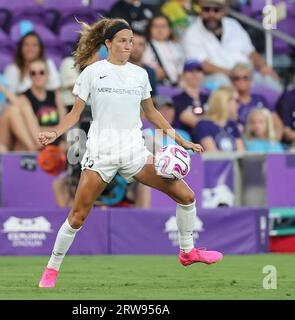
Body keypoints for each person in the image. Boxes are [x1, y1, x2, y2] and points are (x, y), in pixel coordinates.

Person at [37, 18, 222, 288]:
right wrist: (54, 133)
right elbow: (75, 114)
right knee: (77, 216)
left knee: (187, 196)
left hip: (135, 153)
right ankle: (52, 268)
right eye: (122, 40)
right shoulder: (92, 72)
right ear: (108, 43)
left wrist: (181, 140)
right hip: (101, 154)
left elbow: (152, 113)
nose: (128, 45)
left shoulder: (140, 74)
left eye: (131, 41)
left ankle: (187, 252)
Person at [182, 0, 281, 92]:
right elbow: (201, 65)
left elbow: (250, 52)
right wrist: (232, 74)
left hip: (243, 73)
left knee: (270, 81)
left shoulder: (233, 25)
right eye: (207, 10)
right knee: (223, 83)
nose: (211, 14)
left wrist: (263, 66)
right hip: (214, 77)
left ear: (223, 12)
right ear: (201, 11)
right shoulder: (192, 33)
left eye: (216, 10)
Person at [0, 72, 40, 152]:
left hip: (4, 137)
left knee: (20, 103)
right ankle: (33, 148)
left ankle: (36, 145)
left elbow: (21, 105)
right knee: (12, 111)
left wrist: (0, 86)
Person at [18, 58, 67, 146]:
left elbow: (63, 125)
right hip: (38, 144)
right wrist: (54, 130)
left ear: (48, 75)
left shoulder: (56, 95)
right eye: (33, 73)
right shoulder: (23, 98)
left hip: (58, 142)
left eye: (41, 72)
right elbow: (32, 131)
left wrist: (43, 129)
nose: (37, 76)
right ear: (29, 76)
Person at [231, 63, 283, 139]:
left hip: (264, 143)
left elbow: (277, 124)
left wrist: (274, 142)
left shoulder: (260, 99)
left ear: (251, 81)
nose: (241, 81)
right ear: (232, 82)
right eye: (237, 78)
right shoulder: (230, 102)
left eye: (245, 78)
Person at [192, 87, 245, 152]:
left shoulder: (232, 125)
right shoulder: (203, 125)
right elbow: (213, 155)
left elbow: (241, 154)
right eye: (236, 101)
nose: (238, 105)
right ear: (225, 102)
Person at [142, 15, 184, 86]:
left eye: (163, 26)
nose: (160, 30)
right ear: (149, 29)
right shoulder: (144, 45)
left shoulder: (176, 46)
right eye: (156, 26)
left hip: (177, 85)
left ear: (170, 29)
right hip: (157, 86)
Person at [172, 59, 209, 136]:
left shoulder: (208, 97)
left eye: (198, 71)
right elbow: (193, 121)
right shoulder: (178, 99)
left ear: (202, 74)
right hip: (187, 140)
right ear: (184, 75)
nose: (195, 74)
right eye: (190, 71)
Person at [128, 32, 157, 97]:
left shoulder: (150, 72)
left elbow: (152, 98)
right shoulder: (118, 68)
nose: (136, 48)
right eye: (132, 43)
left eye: (140, 44)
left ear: (145, 48)